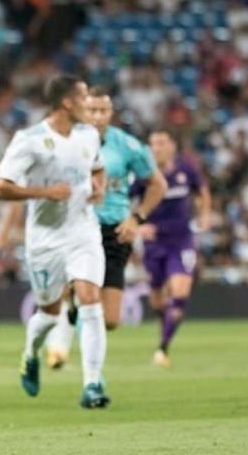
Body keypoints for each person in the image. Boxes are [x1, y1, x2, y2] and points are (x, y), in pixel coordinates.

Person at [0, 75, 111, 409]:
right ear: (66, 102)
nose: (91, 105)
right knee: (49, 312)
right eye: (84, 97)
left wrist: (99, 186)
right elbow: (0, 187)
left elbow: (97, 169)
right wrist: (43, 192)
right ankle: (30, 353)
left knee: (89, 299)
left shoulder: (89, 136)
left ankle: (93, 383)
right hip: (45, 241)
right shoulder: (29, 140)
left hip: (83, 232)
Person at [43, 87, 166, 368]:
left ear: (111, 113)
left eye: (103, 110)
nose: (97, 116)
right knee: (84, 294)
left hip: (114, 231)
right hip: (77, 227)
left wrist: (137, 218)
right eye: (92, 110)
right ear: (81, 110)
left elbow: (158, 185)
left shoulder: (129, 146)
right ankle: (82, 367)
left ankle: (72, 312)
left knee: (110, 320)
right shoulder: (65, 141)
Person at [133, 130, 210, 367]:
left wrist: (205, 215)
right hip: (154, 243)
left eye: (162, 142)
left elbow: (203, 192)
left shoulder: (186, 169)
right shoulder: (142, 173)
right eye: (153, 143)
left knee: (179, 293)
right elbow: (123, 201)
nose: (157, 147)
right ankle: (163, 325)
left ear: (172, 145)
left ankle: (163, 348)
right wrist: (137, 226)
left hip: (181, 240)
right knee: (157, 298)